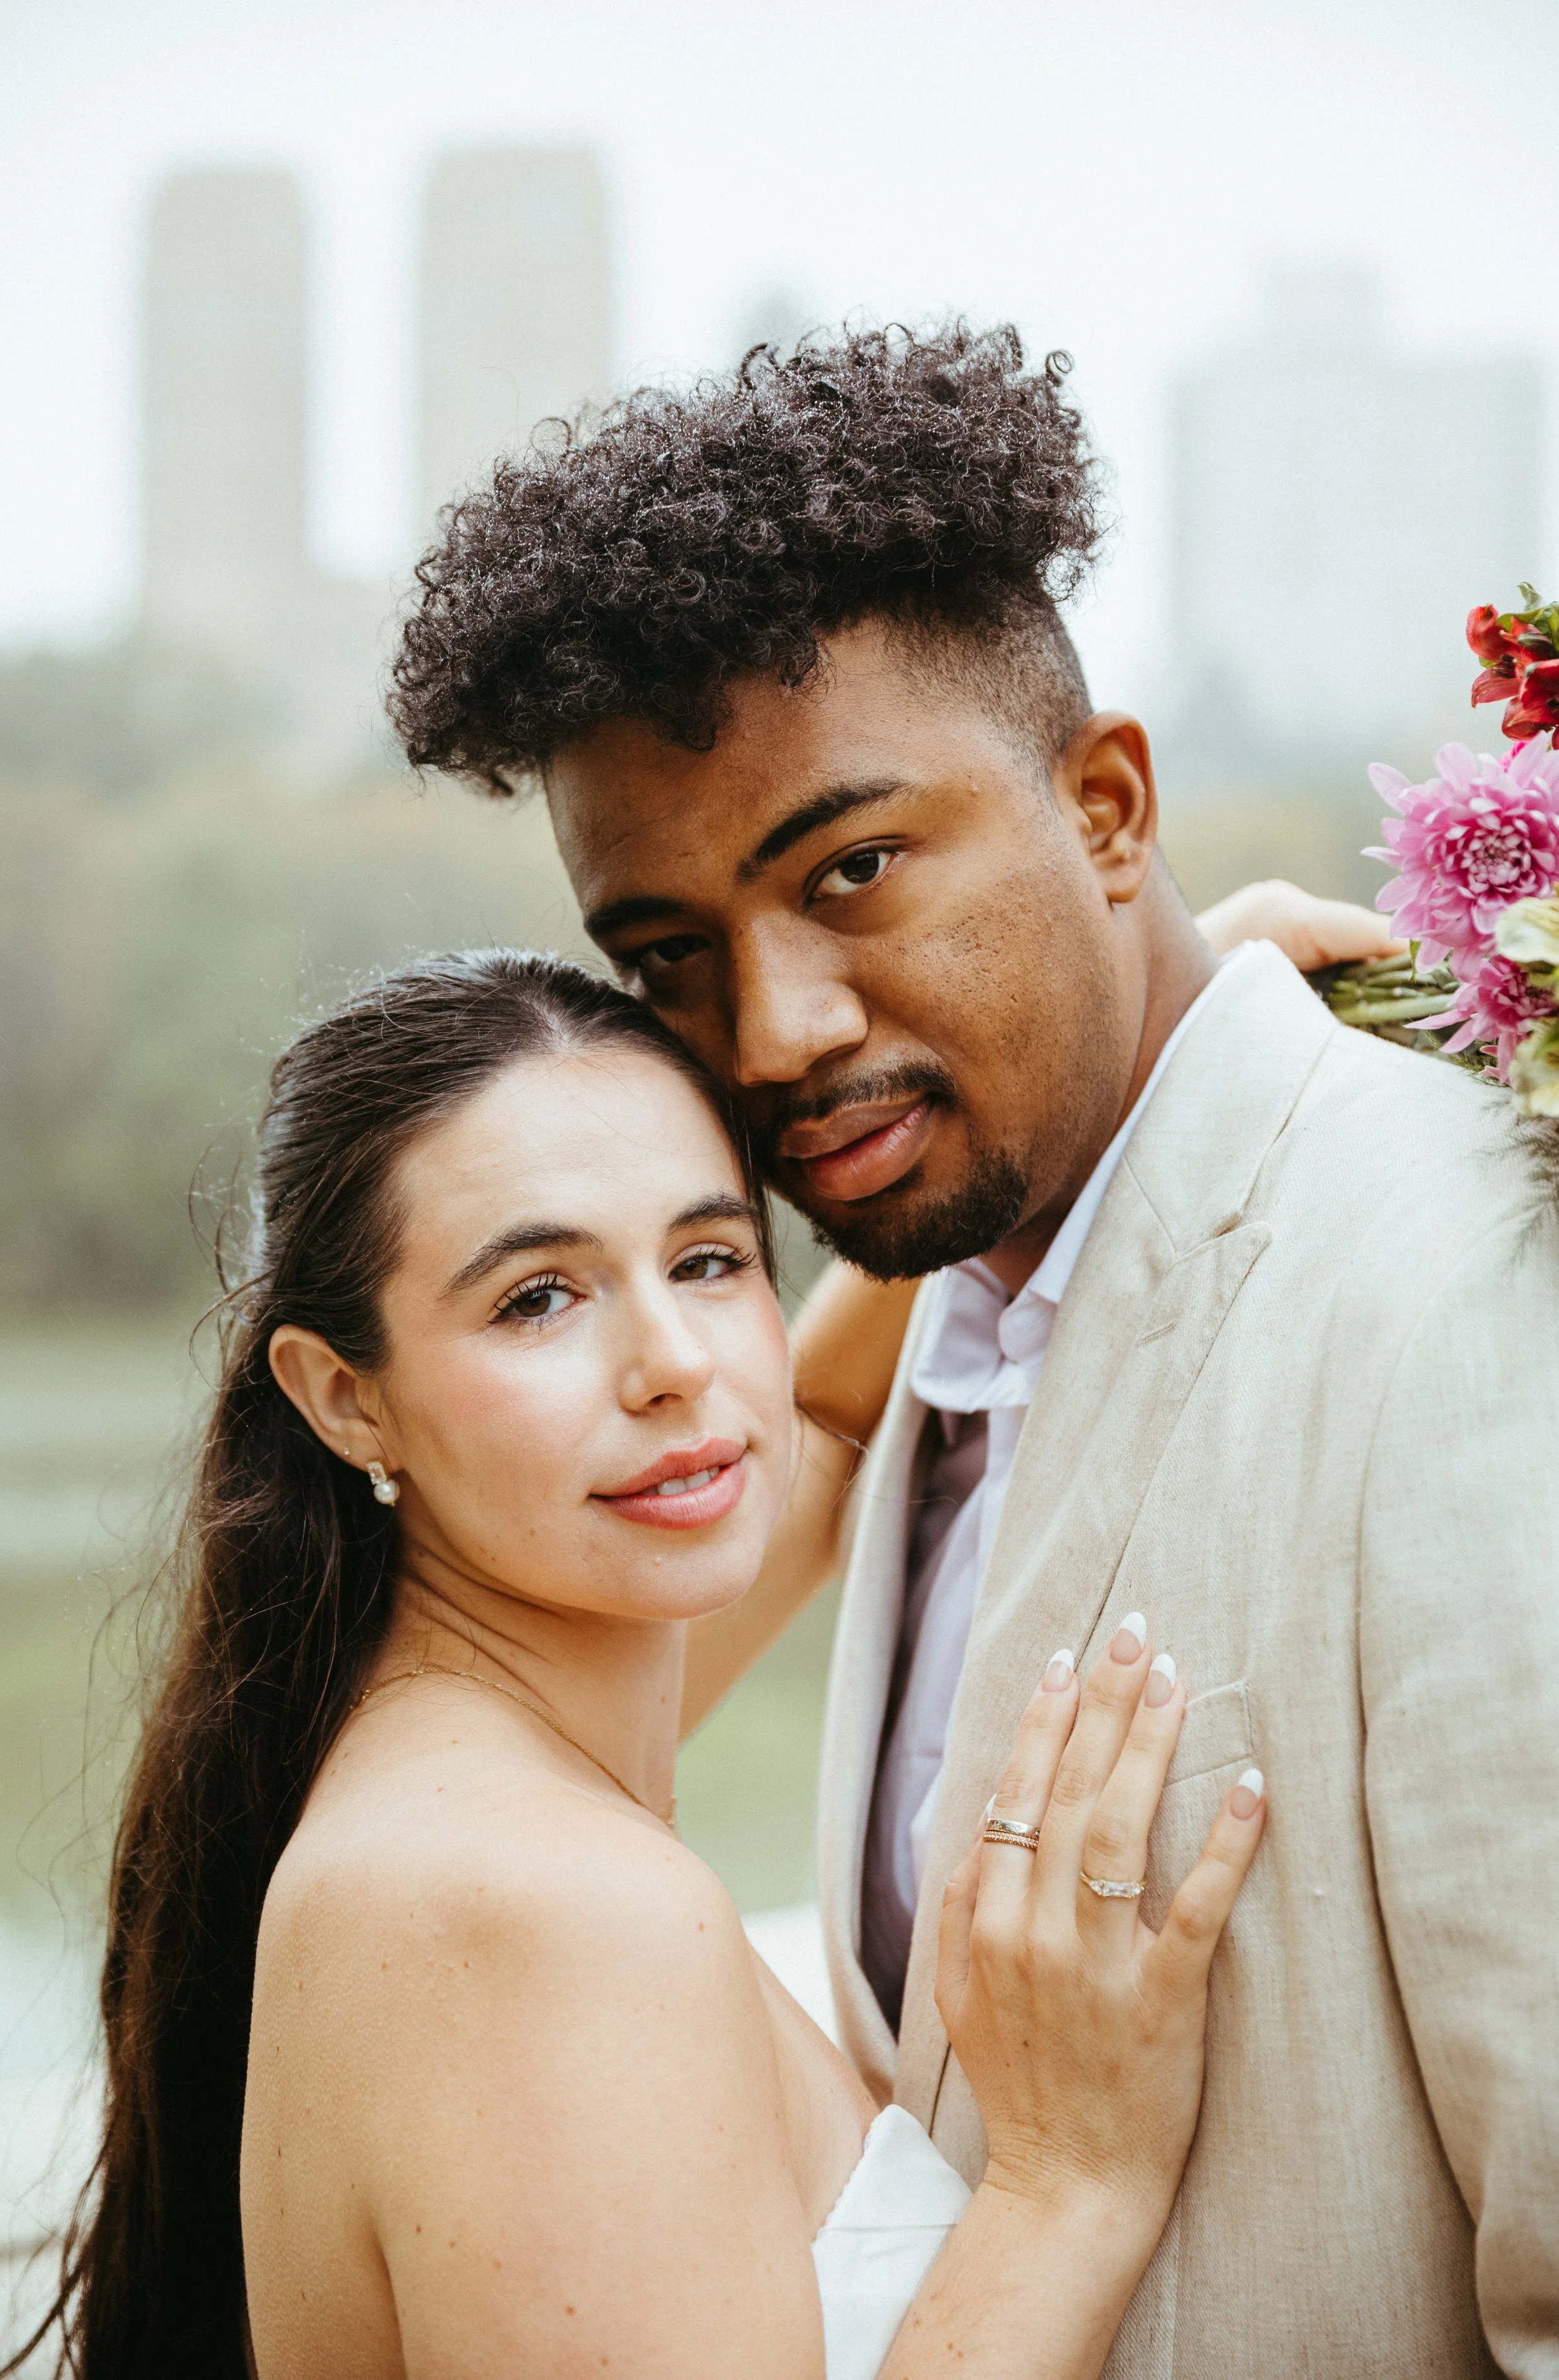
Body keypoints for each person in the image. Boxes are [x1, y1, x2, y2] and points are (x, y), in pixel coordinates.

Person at [389, 323, 1559, 2377]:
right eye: (666, 958)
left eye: (854, 873)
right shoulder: (937, 1332)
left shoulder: (1469, 1289)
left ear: (1110, 808)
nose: (771, 1035)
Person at [16, 949, 1267, 2380]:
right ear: (345, 1401)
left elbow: (818, 1405)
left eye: (709, 1258)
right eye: (537, 1297)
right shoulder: (535, 1910)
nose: (676, 1362)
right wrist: (1065, 2188)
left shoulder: (454, 1733)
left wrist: (1168, 1014)